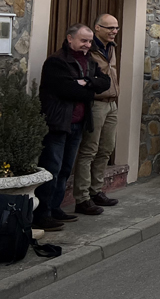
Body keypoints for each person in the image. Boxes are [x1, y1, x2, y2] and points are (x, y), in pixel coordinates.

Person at [33, 24, 111, 232]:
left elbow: (105, 82)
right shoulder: (57, 61)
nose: (87, 45)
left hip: (77, 124)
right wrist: (89, 87)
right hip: (58, 124)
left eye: (89, 41)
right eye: (83, 40)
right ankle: (42, 215)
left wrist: (85, 82)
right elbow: (68, 90)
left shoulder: (89, 60)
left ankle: (55, 208)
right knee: (52, 168)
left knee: (66, 169)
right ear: (70, 38)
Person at [73, 14, 120, 216]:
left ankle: (96, 190)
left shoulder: (111, 47)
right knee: (89, 150)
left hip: (112, 103)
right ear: (97, 27)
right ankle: (82, 198)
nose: (114, 31)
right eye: (110, 28)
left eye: (116, 28)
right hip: (95, 103)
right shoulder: (89, 49)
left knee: (106, 148)